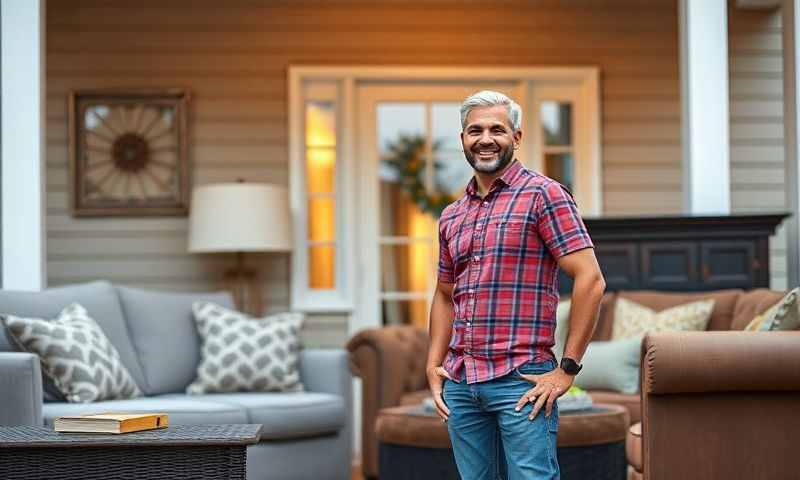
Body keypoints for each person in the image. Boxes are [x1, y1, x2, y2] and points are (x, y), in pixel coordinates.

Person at [426, 90, 606, 479]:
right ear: (463, 140)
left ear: (517, 137)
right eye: (475, 130)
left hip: (521, 380)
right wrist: (432, 364)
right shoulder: (452, 215)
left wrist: (567, 369)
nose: (485, 138)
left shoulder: (545, 195)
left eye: (497, 129)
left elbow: (590, 279)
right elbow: (444, 295)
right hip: (461, 380)